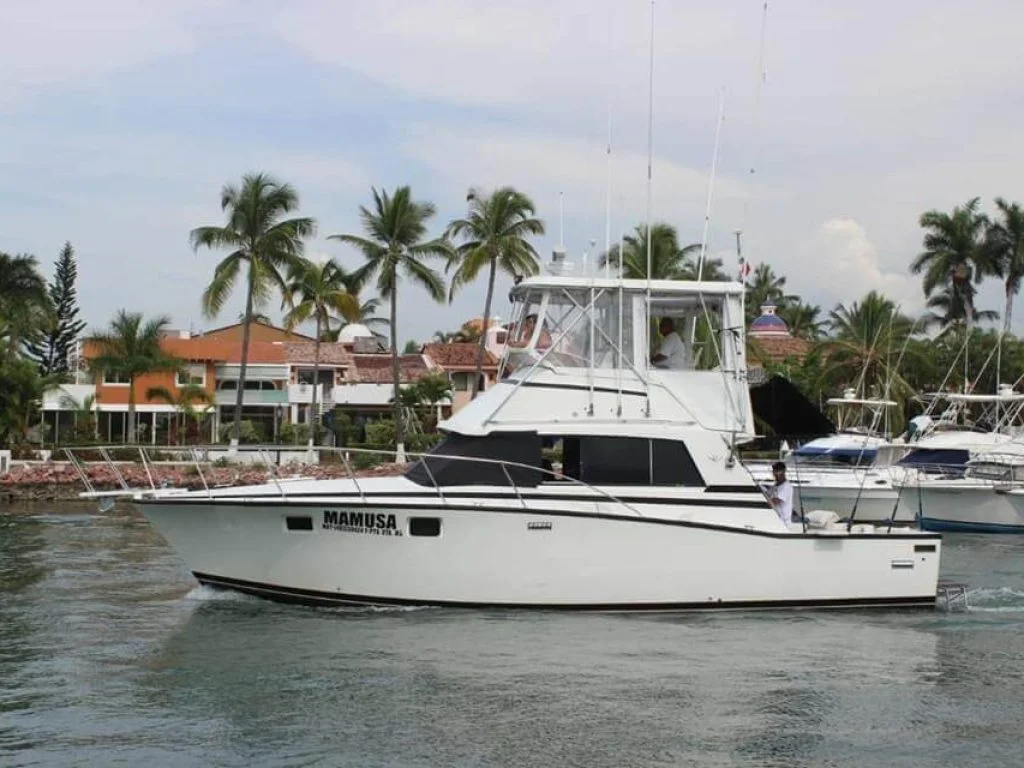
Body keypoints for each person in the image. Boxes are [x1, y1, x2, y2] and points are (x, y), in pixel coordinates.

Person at [768, 461, 795, 526]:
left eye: (777, 471)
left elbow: (775, 501)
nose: (775, 474)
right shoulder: (775, 486)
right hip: (775, 519)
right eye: (774, 471)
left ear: (783, 472)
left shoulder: (786, 486)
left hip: (783, 522)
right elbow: (767, 495)